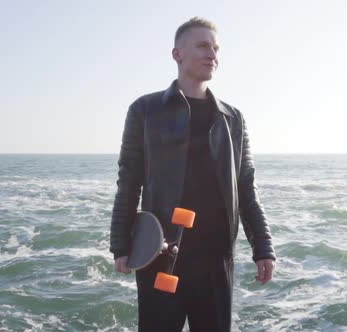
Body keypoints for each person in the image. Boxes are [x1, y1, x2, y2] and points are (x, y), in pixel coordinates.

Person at [110, 17, 276, 332]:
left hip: (215, 259)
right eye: (202, 46)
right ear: (177, 54)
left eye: (215, 48)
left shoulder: (232, 118)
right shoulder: (145, 110)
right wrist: (120, 243)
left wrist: (263, 247)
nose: (212, 54)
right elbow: (128, 182)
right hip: (160, 253)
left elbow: (245, 188)